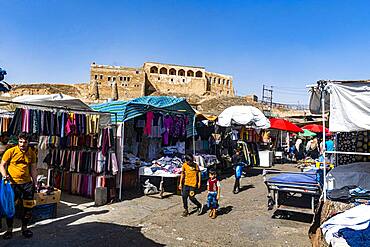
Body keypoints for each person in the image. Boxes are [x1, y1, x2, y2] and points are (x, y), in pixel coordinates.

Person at [0, 132, 37, 239]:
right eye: (20, 142)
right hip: (12, 185)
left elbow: (33, 169)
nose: (22, 144)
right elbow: (2, 165)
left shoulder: (32, 153)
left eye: (25, 142)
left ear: (28, 142)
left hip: (27, 185)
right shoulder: (10, 151)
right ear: (18, 141)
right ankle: (9, 230)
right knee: (10, 208)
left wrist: (35, 182)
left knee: (28, 208)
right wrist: (4, 175)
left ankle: (24, 228)